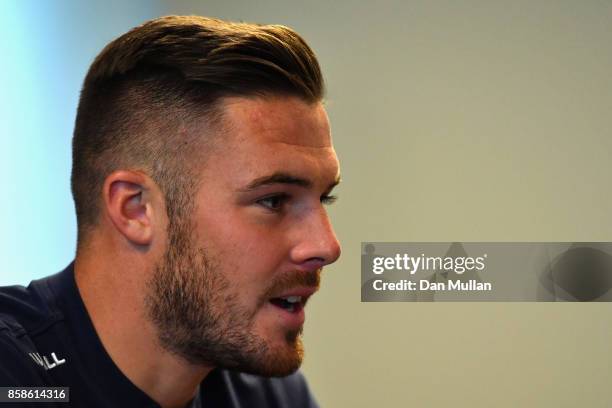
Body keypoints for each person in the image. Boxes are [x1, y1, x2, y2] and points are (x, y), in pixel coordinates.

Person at [0, 15, 341, 408]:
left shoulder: (268, 395)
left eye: (324, 198)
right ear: (135, 209)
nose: (326, 246)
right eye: (274, 201)